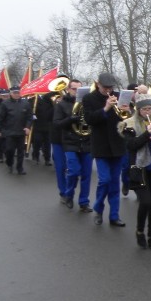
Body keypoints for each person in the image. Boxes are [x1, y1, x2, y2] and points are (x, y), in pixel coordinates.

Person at [81, 72, 129, 227]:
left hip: (118, 145)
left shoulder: (120, 96)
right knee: (104, 180)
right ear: (97, 84)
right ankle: (98, 209)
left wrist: (127, 111)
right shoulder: (89, 99)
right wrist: (107, 107)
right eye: (105, 87)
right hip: (101, 146)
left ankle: (114, 216)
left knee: (115, 183)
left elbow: (127, 120)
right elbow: (89, 120)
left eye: (111, 87)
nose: (109, 90)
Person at [120, 98, 151, 249]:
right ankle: (140, 231)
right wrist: (147, 134)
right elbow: (131, 146)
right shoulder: (129, 124)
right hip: (139, 168)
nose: (148, 112)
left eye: (150, 109)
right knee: (145, 202)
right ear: (138, 110)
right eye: (145, 109)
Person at [53, 79, 93, 211]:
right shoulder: (62, 105)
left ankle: (84, 202)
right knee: (74, 171)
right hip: (70, 143)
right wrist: (70, 119)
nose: (77, 92)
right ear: (68, 89)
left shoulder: (87, 104)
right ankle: (68, 195)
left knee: (86, 175)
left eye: (80, 89)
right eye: (74, 89)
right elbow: (57, 124)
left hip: (86, 142)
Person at [0, 86, 33, 175]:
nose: (16, 94)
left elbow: (29, 117)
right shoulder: (5, 104)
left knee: (20, 151)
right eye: (14, 93)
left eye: (18, 93)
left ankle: (20, 168)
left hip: (21, 131)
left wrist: (28, 127)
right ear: (11, 93)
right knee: (9, 150)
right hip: (9, 132)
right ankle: (9, 163)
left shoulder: (25, 103)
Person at [30, 91, 54, 165]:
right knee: (37, 142)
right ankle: (35, 155)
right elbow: (29, 110)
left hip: (48, 125)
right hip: (38, 125)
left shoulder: (51, 100)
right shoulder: (33, 99)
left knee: (47, 143)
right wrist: (32, 114)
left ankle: (47, 159)